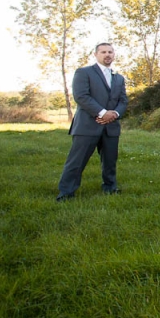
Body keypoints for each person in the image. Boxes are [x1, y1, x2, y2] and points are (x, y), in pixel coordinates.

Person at [56, 43, 128, 201]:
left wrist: (114, 114)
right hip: (87, 125)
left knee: (110, 161)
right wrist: (102, 113)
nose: (107, 54)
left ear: (114, 55)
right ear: (96, 54)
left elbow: (123, 101)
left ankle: (110, 187)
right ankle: (66, 193)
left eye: (110, 51)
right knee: (76, 161)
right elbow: (81, 96)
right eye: (103, 52)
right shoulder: (84, 73)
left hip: (111, 127)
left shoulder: (119, 78)